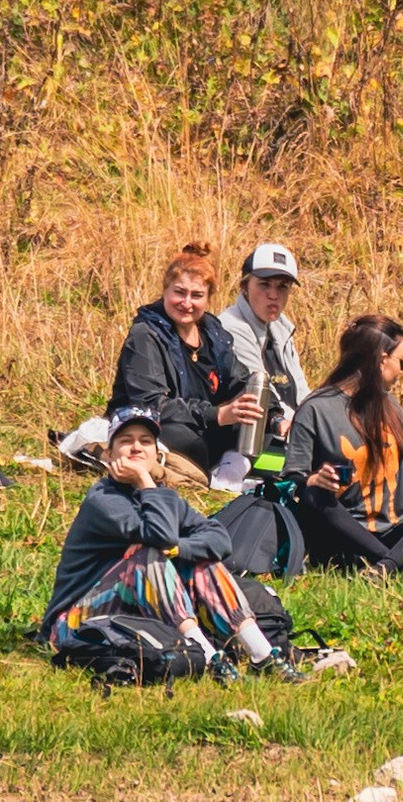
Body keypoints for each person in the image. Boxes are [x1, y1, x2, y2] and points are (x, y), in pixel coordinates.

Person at [41, 409, 308, 680]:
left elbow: (218, 538)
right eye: (125, 441)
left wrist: (182, 550)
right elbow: (161, 537)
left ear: (156, 454)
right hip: (74, 623)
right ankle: (205, 655)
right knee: (147, 556)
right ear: (109, 455)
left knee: (202, 561)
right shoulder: (104, 499)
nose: (136, 447)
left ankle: (262, 654)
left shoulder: (164, 498)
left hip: (128, 615)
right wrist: (147, 482)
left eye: (145, 441)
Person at [285, 315, 403, 578]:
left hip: (397, 536)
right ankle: (396, 565)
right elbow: (293, 477)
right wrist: (315, 479)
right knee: (312, 495)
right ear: (382, 359)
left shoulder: (391, 405)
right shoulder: (316, 408)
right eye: (402, 362)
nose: (402, 371)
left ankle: (386, 567)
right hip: (345, 539)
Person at [107, 245, 256, 479]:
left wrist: (274, 416)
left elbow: (243, 381)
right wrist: (215, 415)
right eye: (179, 292)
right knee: (188, 442)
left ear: (208, 299)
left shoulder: (213, 333)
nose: (187, 303)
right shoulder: (146, 335)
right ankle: (224, 467)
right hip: (154, 424)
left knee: (261, 432)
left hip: (203, 423)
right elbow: (151, 404)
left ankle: (229, 467)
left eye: (196, 296)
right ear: (165, 291)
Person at [213, 243, 311, 460]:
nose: (273, 295)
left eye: (283, 287)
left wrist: (318, 421)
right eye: (264, 285)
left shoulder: (281, 326)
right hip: (250, 437)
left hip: (289, 430)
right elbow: (263, 396)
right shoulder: (230, 326)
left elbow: (300, 389)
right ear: (245, 286)